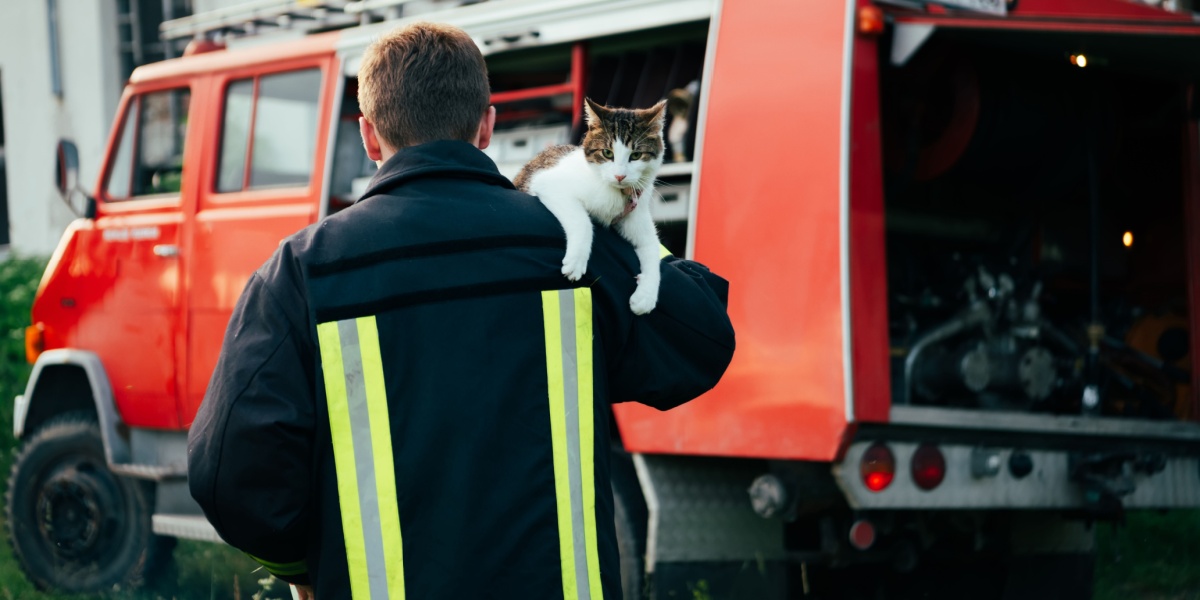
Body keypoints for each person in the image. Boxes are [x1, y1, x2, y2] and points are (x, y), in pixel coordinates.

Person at [187, 21, 735, 600]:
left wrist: (305, 567)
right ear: (487, 127)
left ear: (370, 138)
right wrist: (631, 230)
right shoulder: (571, 245)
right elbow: (701, 338)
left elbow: (225, 476)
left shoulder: (302, 270)